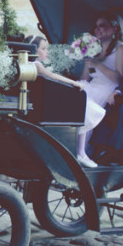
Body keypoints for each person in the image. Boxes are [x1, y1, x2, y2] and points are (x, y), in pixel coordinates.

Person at [29, 36, 106, 167]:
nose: (47, 51)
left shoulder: (33, 65)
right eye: (43, 48)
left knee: (83, 106)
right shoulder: (36, 65)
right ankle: (81, 152)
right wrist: (73, 83)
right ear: (34, 50)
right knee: (82, 104)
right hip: (47, 103)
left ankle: (81, 152)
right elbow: (52, 76)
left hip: (45, 100)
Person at [74, 15, 123, 167]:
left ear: (114, 28)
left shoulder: (120, 48)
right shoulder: (94, 48)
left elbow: (119, 78)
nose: (98, 29)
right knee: (74, 95)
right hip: (93, 85)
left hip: (108, 88)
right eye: (96, 26)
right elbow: (86, 77)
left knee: (85, 102)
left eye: (103, 25)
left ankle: (81, 151)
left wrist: (98, 65)